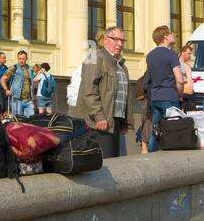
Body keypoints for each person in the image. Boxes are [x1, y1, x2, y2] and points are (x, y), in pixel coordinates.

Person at [72, 26, 131, 157]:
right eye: (115, 39)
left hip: (114, 121)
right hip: (98, 122)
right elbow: (89, 90)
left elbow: (123, 93)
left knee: (114, 160)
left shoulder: (120, 64)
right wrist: (99, 116)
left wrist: (125, 121)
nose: (120, 44)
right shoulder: (94, 57)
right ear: (105, 40)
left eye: (122, 40)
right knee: (105, 162)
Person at [145, 25, 184, 152]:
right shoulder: (171, 55)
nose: (173, 35)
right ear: (165, 37)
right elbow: (179, 79)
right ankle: (172, 152)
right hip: (170, 96)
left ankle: (152, 153)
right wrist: (180, 93)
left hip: (155, 96)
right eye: (171, 33)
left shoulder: (150, 56)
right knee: (173, 127)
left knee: (155, 128)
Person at [4, 50, 37, 119]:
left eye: (23, 59)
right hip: (16, 99)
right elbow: (2, 79)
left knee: (30, 121)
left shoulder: (30, 68)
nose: (21, 60)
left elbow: (35, 79)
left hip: (28, 101)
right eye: (19, 58)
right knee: (17, 121)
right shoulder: (14, 68)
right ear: (17, 58)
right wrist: (6, 89)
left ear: (26, 59)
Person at [177, 44, 196, 110]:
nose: (190, 56)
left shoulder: (187, 64)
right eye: (188, 54)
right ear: (183, 52)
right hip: (184, 95)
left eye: (190, 54)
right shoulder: (177, 64)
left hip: (190, 95)